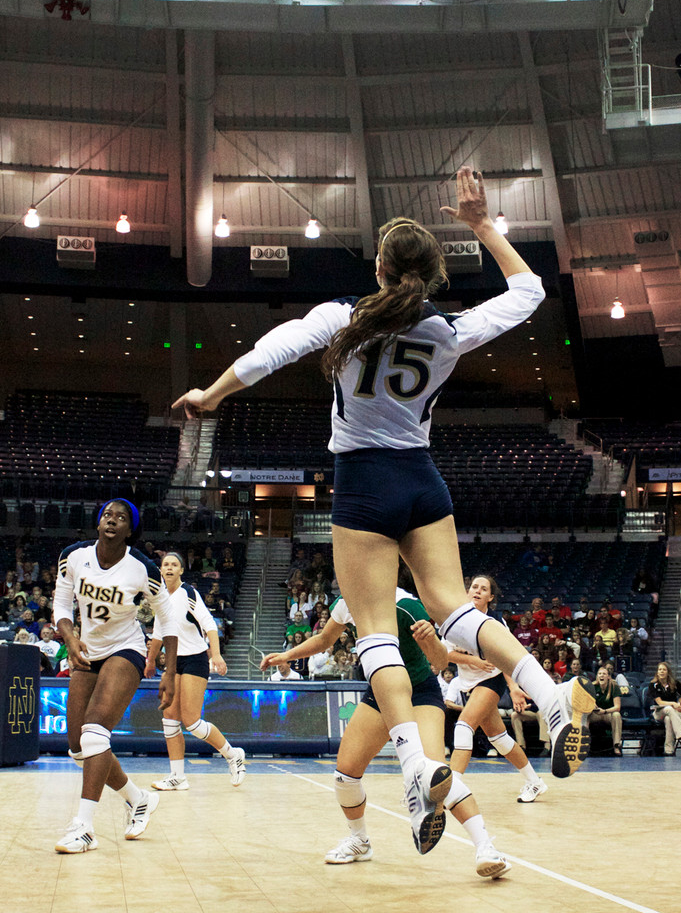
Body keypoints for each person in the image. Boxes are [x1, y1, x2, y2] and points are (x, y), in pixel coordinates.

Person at [173, 164, 596, 854]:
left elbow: (268, 353)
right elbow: (528, 292)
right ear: (429, 277)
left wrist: (210, 397)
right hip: (423, 481)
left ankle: (416, 764)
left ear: (377, 268)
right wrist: (482, 224)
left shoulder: (343, 317)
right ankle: (548, 695)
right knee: (456, 610)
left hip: (363, 485)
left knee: (373, 631)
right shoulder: (450, 330)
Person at [261, 584, 511, 879]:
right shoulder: (348, 601)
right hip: (380, 693)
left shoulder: (408, 606)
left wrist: (431, 640)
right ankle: (359, 840)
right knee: (345, 772)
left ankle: (486, 848)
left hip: (419, 692)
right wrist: (286, 655)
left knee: (435, 773)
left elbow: (440, 662)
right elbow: (325, 638)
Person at [52, 499, 179, 854]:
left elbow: (166, 619)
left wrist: (169, 671)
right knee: (78, 747)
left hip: (127, 650)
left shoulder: (142, 568)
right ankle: (137, 799)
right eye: (108, 514)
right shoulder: (73, 557)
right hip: (87, 649)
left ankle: (84, 827)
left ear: (129, 530)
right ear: (98, 522)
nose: (112, 520)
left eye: (121, 518)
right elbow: (61, 605)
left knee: (94, 732)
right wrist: (71, 638)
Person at [145, 552, 245, 791]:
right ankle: (177, 776)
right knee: (169, 719)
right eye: (165, 564)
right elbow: (158, 633)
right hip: (172, 663)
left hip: (195, 660)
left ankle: (233, 755)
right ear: (160, 569)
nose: (169, 568)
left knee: (191, 722)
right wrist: (150, 662)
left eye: (174, 565)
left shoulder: (188, 593)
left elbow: (210, 624)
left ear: (181, 570)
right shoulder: (157, 597)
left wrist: (217, 654)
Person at [443, 576, 547, 804]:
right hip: (470, 682)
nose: (477, 591)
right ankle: (535, 782)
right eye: (474, 587)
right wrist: (475, 662)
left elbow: (508, 656)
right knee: (498, 739)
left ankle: (453, 789)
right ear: (467, 592)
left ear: (490, 597)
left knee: (463, 726)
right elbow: (446, 654)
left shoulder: (495, 622)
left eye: (483, 589)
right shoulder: (457, 618)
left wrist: (513, 687)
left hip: (492, 679)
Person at [645, 662, 681, 755]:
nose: (661, 671)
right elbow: (659, 702)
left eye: (664, 670)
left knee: (668, 719)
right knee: (669, 708)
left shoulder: (675, 683)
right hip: (659, 712)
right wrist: (673, 704)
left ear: (668, 672)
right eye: (660, 669)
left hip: (673, 713)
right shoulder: (653, 685)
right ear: (657, 672)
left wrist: (678, 703)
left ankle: (669, 750)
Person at [589, 665, 623, 757]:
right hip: (596, 714)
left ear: (608, 676)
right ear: (597, 676)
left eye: (604, 674)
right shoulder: (592, 686)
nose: (601, 676)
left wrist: (604, 711)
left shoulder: (614, 686)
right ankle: (584, 744)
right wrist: (593, 706)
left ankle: (616, 745)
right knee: (584, 715)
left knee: (617, 715)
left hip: (608, 713)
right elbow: (587, 703)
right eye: (599, 674)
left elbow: (617, 707)